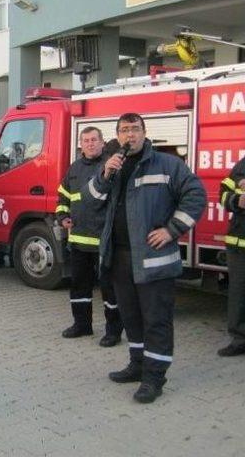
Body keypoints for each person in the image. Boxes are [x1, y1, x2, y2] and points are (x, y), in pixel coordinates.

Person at [84, 112, 206, 403]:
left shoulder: (166, 164)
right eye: (124, 130)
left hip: (154, 260)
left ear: (144, 132)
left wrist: (172, 229)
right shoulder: (112, 166)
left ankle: (154, 378)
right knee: (132, 317)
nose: (130, 135)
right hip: (120, 259)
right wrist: (104, 175)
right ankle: (137, 365)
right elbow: (91, 201)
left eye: (135, 129)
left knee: (156, 321)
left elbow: (196, 195)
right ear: (117, 136)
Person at [56, 127, 122, 346]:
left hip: (104, 241)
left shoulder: (111, 167)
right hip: (78, 240)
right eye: (86, 140)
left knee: (109, 289)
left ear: (102, 143)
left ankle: (113, 331)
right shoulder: (74, 168)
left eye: (94, 140)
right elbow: (63, 196)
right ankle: (82, 325)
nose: (90, 144)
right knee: (79, 286)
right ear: (80, 144)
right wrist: (62, 216)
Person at [217, 157, 245, 356]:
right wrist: (237, 200)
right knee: (238, 293)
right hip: (238, 245)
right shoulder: (242, 165)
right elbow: (223, 195)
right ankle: (240, 339)